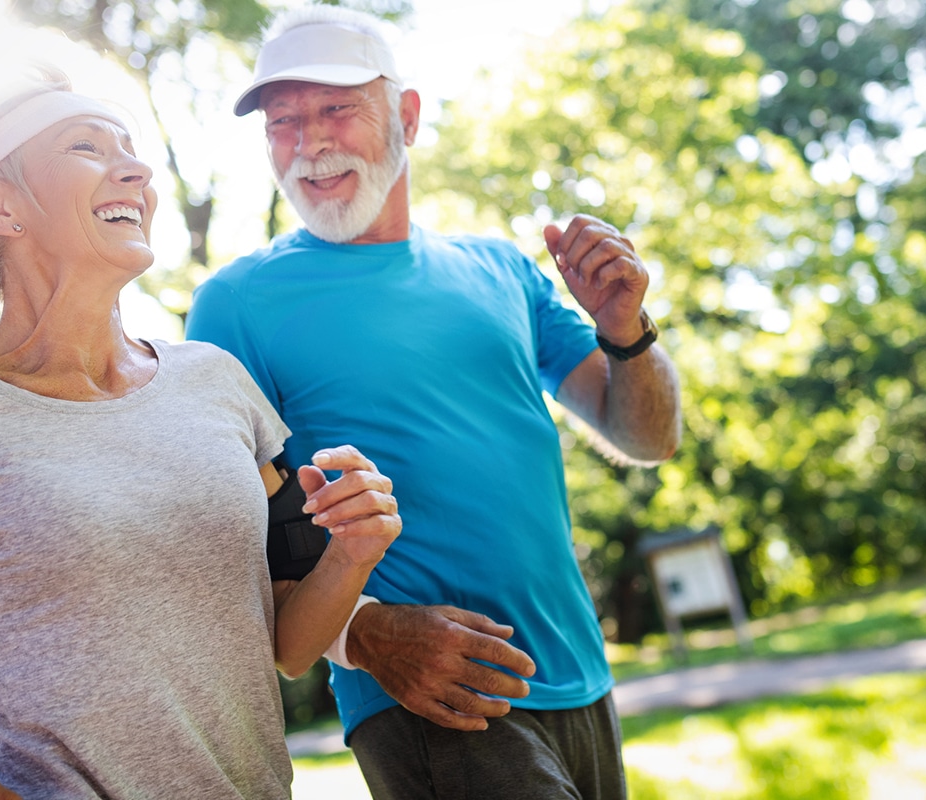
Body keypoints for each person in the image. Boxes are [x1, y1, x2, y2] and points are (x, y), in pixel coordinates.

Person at [185, 4, 682, 798]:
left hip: (580, 673)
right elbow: (236, 540)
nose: (309, 142)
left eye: (337, 110)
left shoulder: (499, 269)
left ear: (406, 118)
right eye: (284, 121)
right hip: (430, 691)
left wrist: (626, 330)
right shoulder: (236, 304)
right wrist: (369, 636)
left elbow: (647, 437)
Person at [0, 64, 401, 799]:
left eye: (132, 148)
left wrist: (352, 555)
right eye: (87, 147)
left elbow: (289, 645)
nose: (137, 170)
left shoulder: (214, 380)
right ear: (0, 205)